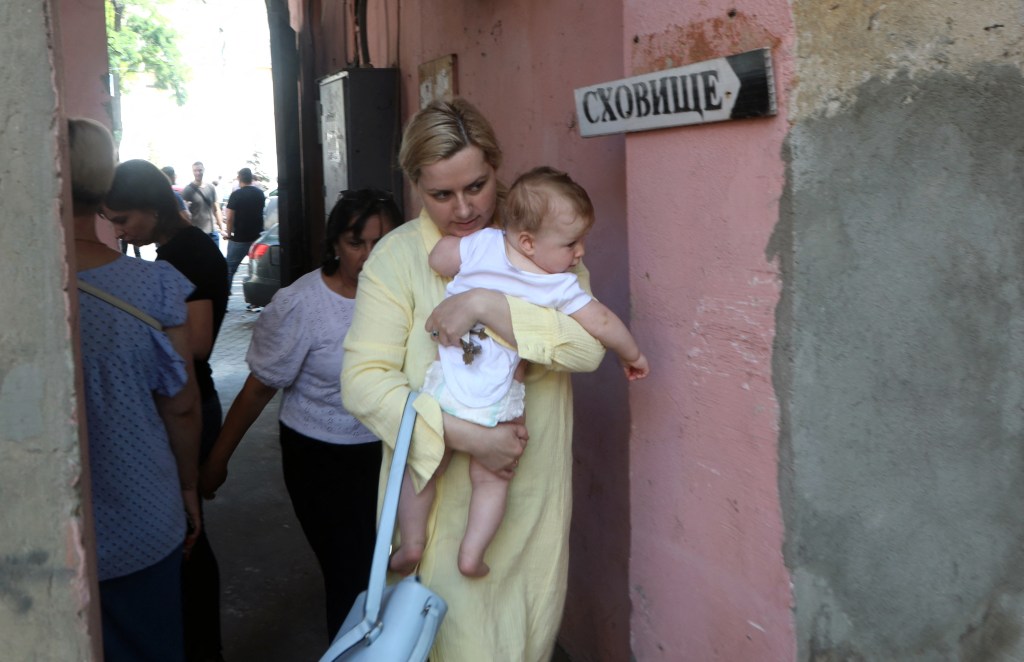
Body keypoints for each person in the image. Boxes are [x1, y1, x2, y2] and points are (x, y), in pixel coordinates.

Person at [340, 98, 606, 661]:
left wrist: (488, 304)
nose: (464, 209)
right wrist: (468, 436)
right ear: (414, 185)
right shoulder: (396, 260)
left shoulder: (540, 238)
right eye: (442, 195)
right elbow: (363, 382)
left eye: (478, 186)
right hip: (432, 511)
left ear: (498, 168)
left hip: (525, 502)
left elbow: (588, 349)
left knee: (522, 642)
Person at [390, 166, 650, 579]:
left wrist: (459, 257)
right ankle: (472, 554)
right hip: (501, 399)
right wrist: (632, 354)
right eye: (572, 243)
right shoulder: (558, 285)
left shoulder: (483, 245)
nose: (580, 252)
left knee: (423, 465)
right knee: (492, 477)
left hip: (447, 386)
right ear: (528, 242)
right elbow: (600, 323)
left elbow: (439, 259)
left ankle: (411, 542)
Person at [199, 189, 403, 639]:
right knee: (351, 578)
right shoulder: (302, 305)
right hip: (322, 462)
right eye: (357, 243)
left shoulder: (408, 296)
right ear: (334, 245)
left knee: (391, 573)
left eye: (383, 243)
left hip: (390, 454)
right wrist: (217, 460)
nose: (371, 256)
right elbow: (256, 390)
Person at [70, 117, 202, 661]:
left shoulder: (20, 287)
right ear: (106, 191)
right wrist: (190, 489)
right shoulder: (154, 285)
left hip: (45, 539)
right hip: (145, 517)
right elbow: (183, 406)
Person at [104, 159, 230, 662]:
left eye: (124, 220)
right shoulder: (174, 251)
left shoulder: (185, 254)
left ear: (154, 211)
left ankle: (200, 647)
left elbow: (196, 344)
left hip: (192, 401)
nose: (119, 231)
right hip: (193, 398)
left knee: (187, 539)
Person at [224, 167, 266, 291]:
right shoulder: (260, 193)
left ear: (239, 178)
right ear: (251, 178)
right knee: (258, 271)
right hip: (257, 238)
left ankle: (224, 298)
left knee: (229, 269)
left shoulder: (236, 195)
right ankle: (256, 301)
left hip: (239, 238)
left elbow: (230, 217)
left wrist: (229, 233)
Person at [182, 160, 225, 244]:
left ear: (204, 170)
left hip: (213, 232)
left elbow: (216, 209)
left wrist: (222, 228)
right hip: (197, 233)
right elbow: (183, 212)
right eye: (195, 170)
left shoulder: (211, 188)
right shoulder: (188, 189)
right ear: (192, 172)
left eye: (200, 170)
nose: (198, 173)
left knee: (215, 257)